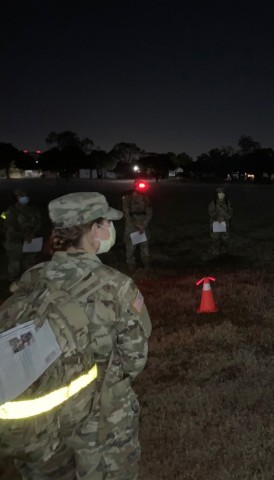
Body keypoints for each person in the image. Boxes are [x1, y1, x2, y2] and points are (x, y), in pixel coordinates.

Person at [4, 192, 152, 479]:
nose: (112, 229)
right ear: (95, 230)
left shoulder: (32, 279)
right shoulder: (117, 287)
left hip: (40, 431)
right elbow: (135, 361)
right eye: (108, 222)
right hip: (102, 424)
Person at [2, 189, 42, 281]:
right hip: (15, 242)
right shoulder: (10, 211)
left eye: (25, 196)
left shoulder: (32, 210)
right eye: (21, 197)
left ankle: (28, 284)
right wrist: (25, 236)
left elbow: (38, 223)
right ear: (16, 198)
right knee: (15, 263)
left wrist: (32, 234)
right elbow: (10, 228)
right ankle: (13, 283)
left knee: (29, 264)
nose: (24, 198)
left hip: (31, 241)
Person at [122, 180, 153, 271]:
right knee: (131, 245)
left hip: (143, 225)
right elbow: (126, 214)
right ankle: (130, 264)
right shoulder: (127, 198)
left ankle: (146, 263)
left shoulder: (146, 198)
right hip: (132, 225)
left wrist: (144, 225)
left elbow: (149, 212)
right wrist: (136, 225)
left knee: (144, 245)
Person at [208, 186, 233, 256]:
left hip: (225, 224)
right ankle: (216, 250)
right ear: (217, 194)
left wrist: (224, 218)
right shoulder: (213, 203)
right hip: (216, 223)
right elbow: (211, 212)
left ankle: (225, 250)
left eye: (222, 193)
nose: (221, 194)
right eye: (219, 193)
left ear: (224, 194)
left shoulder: (228, 203)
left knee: (225, 238)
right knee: (216, 238)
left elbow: (230, 212)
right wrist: (217, 218)